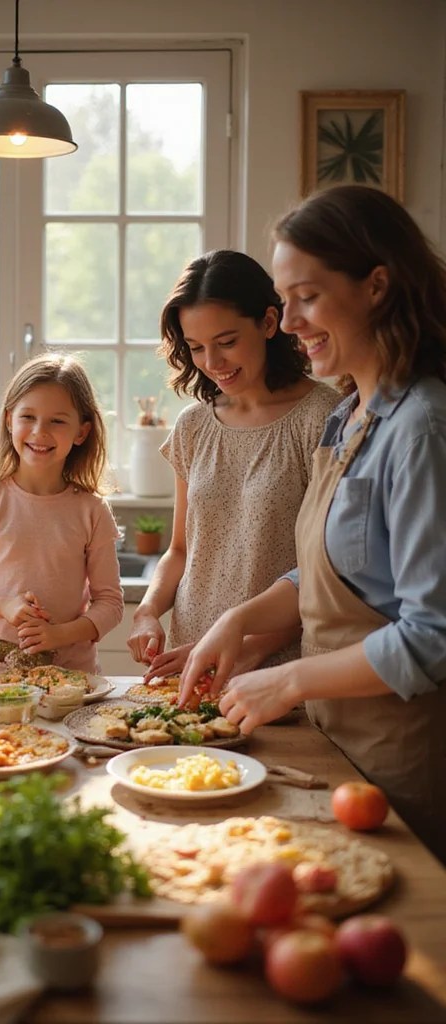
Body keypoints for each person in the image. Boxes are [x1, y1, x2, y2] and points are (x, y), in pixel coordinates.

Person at [180, 186, 446, 864]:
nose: (289, 321)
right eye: (284, 299)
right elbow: (329, 571)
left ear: (377, 286)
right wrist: (237, 619)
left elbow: (432, 638)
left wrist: (291, 679)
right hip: (336, 744)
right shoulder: (348, 416)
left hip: (399, 763)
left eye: (307, 296)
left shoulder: (421, 430)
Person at [127, 250, 339, 680]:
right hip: (188, 658)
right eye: (196, 347)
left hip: (276, 667)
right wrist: (147, 612)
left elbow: (329, 572)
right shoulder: (193, 425)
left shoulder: (324, 418)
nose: (212, 363)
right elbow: (181, 550)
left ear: (267, 322)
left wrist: (249, 648)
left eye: (226, 342)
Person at [0, 353, 123, 676]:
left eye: (57, 421)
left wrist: (59, 634)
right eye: (28, 417)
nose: (40, 432)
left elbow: (110, 604)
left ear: (81, 432)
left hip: (72, 677)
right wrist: (3, 606)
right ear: (9, 420)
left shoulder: (92, 510)